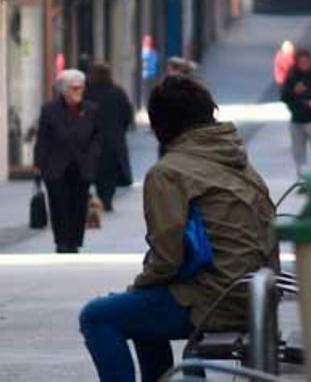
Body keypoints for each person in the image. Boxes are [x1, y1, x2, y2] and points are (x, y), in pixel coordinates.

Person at [79, 76, 275, 382]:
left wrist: (140, 284)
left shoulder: (169, 171)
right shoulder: (238, 160)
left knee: (97, 316)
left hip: (214, 301)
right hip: (252, 296)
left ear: (163, 126)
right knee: (142, 307)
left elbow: (167, 257)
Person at [34, 69, 101, 253]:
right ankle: (61, 241)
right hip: (56, 165)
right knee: (58, 204)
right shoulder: (49, 110)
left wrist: (93, 156)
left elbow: (97, 136)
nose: (78, 92)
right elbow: (43, 138)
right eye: (74, 88)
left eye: (81, 88)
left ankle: (75, 241)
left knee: (79, 205)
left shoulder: (91, 110)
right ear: (64, 89)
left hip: (82, 165)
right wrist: (39, 165)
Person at [85, 64, 134, 212]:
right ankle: (107, 199)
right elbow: (128, 115)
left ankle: (94, 199)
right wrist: (120, 130)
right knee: (109, 173)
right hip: (113, 140)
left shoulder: (87, 93)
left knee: (93, 170)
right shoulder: (117, 93)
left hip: (91, 140)